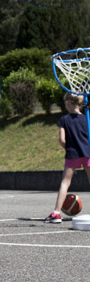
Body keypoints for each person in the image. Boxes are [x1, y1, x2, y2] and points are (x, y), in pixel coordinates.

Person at [45, 93, 90, 223]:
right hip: (87, 152)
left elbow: (62, 140)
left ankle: (56, 213)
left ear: (68, 103)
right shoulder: (87, 118)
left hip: (72, 154)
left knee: (65, 182)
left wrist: (69, 148)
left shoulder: (64, 120)